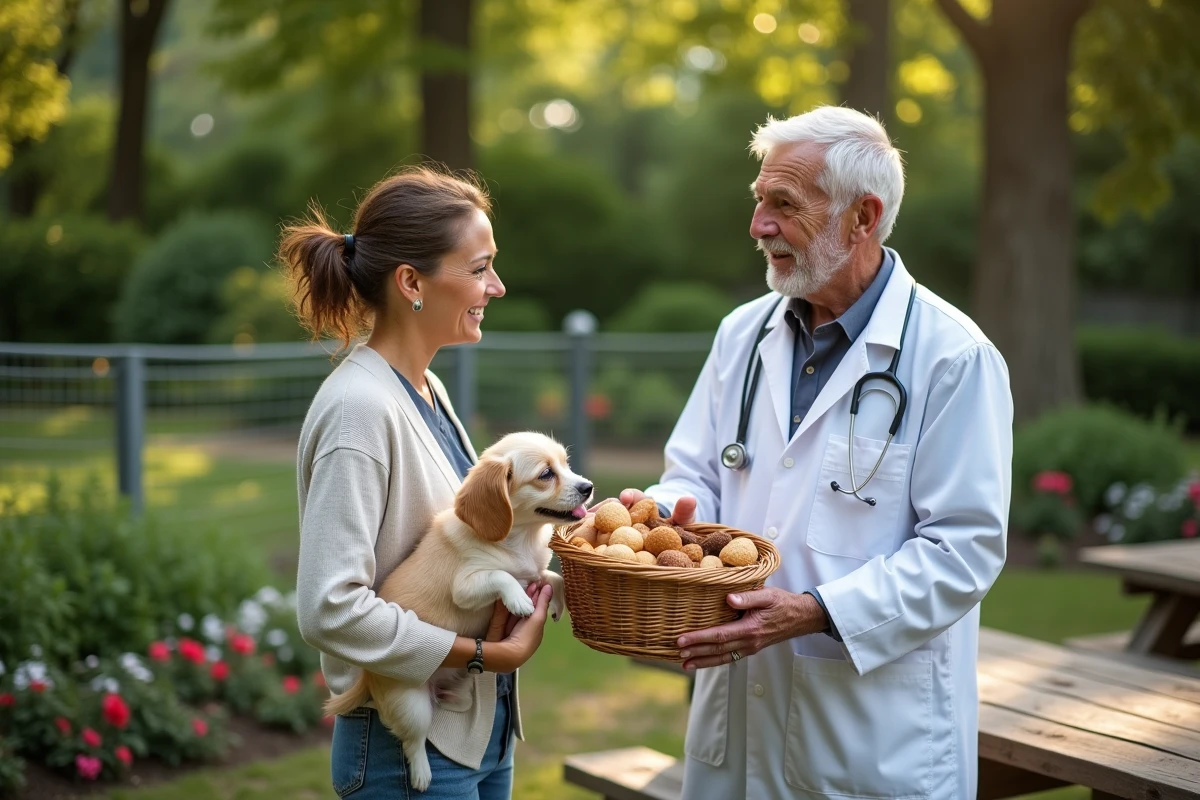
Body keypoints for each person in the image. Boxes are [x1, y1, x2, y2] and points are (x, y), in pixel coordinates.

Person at [620, 106, 1013, 799]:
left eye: (784, 205)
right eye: (759, 202)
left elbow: (964, 549)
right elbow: (698, 473)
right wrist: (658, 517)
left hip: (870, 740)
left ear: (863, 218)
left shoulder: (952, 357)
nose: (758, 226)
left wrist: (820, 610)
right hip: (736, 725)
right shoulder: (743, 335)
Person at [284, 166, 553, 799]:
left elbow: (475, 536)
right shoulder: (360, 409)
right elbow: (329, 607)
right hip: (404, 745)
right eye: (480, 268)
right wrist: (483, 654)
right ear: (411, 282)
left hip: (479, 730)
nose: (498, 286)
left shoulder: (426, 388)